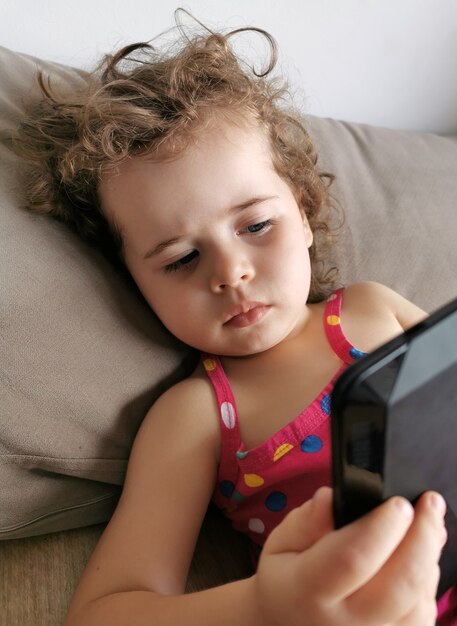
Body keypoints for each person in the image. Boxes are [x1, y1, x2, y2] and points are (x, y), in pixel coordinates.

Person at [12, 13, 454, 626]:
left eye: (256, 226)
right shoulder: (196, 416)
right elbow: (102, 612)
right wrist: (264, 605)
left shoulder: (370, 306)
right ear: (133, 282)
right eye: (181, 259)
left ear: (302, 213)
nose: (230, 272)